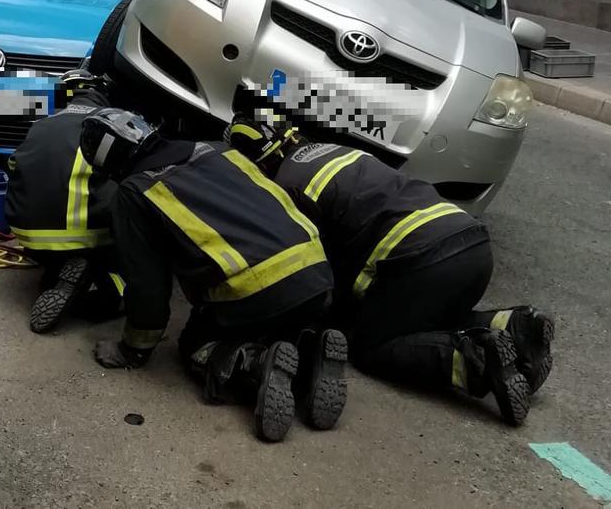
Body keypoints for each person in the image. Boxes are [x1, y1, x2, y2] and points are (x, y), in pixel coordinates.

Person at [226, 114, 554, 426]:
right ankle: (514, 327)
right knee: (418, 321)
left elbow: (312, 274)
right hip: (472, 246)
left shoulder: (288, 188)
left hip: (422, 260)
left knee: (372, 347)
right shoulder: (337, 152)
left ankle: (475, 363)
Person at [80, 109, 345, 443]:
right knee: (283, 322)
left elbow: (148, 284)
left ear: (107, 161)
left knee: (195, 345)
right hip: (316, 272)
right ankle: (309, 355)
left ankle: (254, 364)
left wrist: (133, 349)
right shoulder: (219, 151)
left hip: (255, 290)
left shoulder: (135, 192)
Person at [5, 70, 122, 333]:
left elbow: (13, 166)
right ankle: (103, 283)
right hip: (83, 234)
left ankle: (57, 274)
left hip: (29, 236)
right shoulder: (111, 124)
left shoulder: (43, 122)